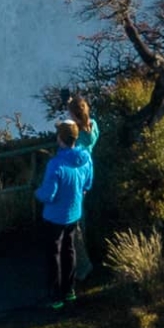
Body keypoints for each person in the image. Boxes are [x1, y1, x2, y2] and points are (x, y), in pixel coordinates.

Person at [34, 119, 92, 309]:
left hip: (54, 216)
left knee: (54, 254)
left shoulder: (56, 164)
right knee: (70, 250)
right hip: (74, 212)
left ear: (60, 138)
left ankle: (55, 296)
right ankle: (69, 291)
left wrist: (37, 192)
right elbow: (87, 183)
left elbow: (48, 195)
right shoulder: (85, 158)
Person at [68, 95, 99, 284]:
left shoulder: (75, 138)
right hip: (86, 180)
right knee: (81, 218)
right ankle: (82, 258)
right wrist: (71, 104)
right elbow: (85, 120)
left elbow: (69, 139)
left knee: (74, 225)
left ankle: (83, 266)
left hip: (75, 183)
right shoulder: (93, 127)